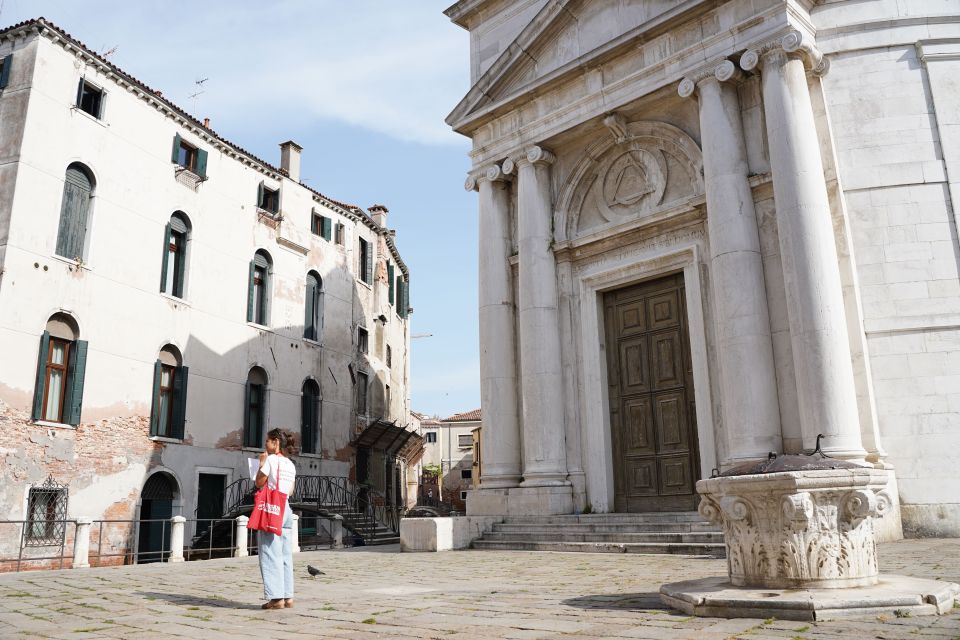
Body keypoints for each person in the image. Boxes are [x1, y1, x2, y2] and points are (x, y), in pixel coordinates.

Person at [255, 428, 297, 610]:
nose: (265, 444)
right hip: (286, 507)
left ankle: (276, 598)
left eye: (268, 441)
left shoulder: (271, 460)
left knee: (270, 552)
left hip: (273, 509)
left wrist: (261, 463)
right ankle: (288, 597)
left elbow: (259, 482)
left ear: (275, 442)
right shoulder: (290, 464)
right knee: (285, 554)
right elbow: (291, 491)